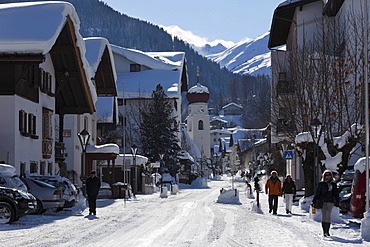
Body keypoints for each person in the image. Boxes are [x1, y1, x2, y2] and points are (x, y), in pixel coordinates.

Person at [312, 169, 340, 237]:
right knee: (324, 216)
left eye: (329, 175)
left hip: (330, 201)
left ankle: (327, 231)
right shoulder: (321, 184)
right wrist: (314, 201)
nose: (328, 177)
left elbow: (336, 193)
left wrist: (337, 201)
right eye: (326, 175)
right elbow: (317, 193)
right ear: (324, 176)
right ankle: (324, 231)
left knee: (328, 216)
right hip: (323, 201)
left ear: (331, 176)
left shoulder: (333, 184)